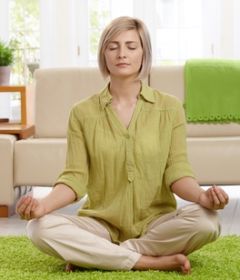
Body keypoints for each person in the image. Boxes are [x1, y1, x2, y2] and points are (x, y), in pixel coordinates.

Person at [16, 16, 229, 274]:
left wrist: (203, 197)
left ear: (144, 53)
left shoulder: (170, 108)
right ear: (103, 53)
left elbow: (177, 172)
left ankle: (97, 256)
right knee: (38, 228)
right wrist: (42, 206)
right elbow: (74, 178)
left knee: (207, 222)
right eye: (113, 46)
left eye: (131, 46)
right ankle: (149, 261)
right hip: (99, 225)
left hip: (156, 223)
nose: (122, 54)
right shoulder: (82, 112)